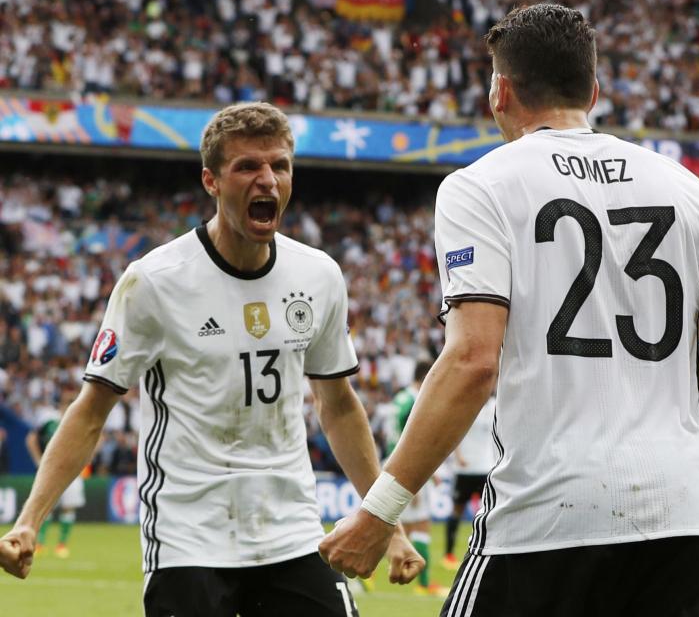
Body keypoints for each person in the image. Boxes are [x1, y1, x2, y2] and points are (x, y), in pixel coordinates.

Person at [319, 3, 699, 617]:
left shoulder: (479, 187)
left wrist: (379, 510)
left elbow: (471, 362)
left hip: (546, 522)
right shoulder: (690, 192)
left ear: (500, 91)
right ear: (594, 90)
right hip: (681, 528)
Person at [0, 101, 423, 616]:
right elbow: (91, 411)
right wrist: (29, 521)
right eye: (247, 166)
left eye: (280, 166)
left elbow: (337, 405)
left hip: (289, 528)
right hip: (188, 536)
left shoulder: (319, 275)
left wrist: (389, 525)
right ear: (211, 181)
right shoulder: (154, 281)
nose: (267, 180)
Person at [384, 359, 448, 597]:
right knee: (420, 526)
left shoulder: (400, 398)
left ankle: (368, 577)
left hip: (392, 468)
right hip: (406, 470)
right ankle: (423, 585)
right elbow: (415, 443)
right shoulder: (414, 401)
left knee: (405, 529)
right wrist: (421, 481)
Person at [26, 394, 86, 559]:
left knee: (68, 507)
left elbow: (95, 438)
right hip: (50, 469)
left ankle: (62, 545)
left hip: (73, 469)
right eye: (67, 402)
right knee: (46, 506)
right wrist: (38, 460)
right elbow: (31, 438)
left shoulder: (82, 420)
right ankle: (39, 543)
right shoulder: (48, 420)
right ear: (61, 404)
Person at [442, 394, 495, 571]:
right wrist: (458, 456)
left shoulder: (495, 406)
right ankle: (448, 554)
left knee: (489, 511)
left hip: (486, 467)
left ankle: (487, 551)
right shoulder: (467, 404)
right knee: (457, 510)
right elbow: (454, 431)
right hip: (464, 468)